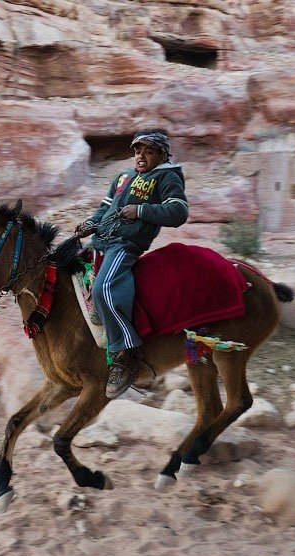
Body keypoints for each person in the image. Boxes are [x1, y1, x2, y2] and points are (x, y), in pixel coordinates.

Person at [75, 128, 189, 398]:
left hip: (125, 245)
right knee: (70, 265)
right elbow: (105, 208)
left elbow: (179, 211)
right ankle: (97, 316)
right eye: (138, 151)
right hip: (102, 239)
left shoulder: (167, 177)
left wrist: (140, 211)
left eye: (149, 152)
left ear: (161, 155)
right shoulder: (123, 177)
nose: (141, 156)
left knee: (105, 288)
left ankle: (124, 353)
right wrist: (91, 223)